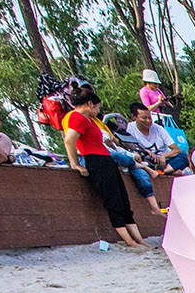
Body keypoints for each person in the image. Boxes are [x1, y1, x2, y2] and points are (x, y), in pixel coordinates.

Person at [61, 87, 148, 249]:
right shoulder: (76, 117)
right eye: (97, 107)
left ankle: (139, 240)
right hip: (96, 160)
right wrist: (76, 164)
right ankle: (129, 242)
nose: (98, 110)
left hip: (105, 159)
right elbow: (69, 140)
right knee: (113, 200)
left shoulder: (88, 120)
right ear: (89, 103)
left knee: (122, 199)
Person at [98, 112, 166, 215]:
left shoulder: (104, 130)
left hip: (120, 156)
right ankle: (145, 167)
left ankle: (154, 207)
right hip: (105, 157)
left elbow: (118, 148)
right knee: (119, 157)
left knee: (141, 174)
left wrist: (132, 154)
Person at [125, 102, 188, 173]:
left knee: (184, 157)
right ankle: (168, 171)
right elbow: (128, 146)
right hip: (143, 161)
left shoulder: (158, 129)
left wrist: (164, 156)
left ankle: (164, 171)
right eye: (144, 118)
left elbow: (176, 150)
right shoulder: (129, 128)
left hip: (163, 163)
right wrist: (146, 151)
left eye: (149, 118)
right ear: (134, 117)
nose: (148, 121)